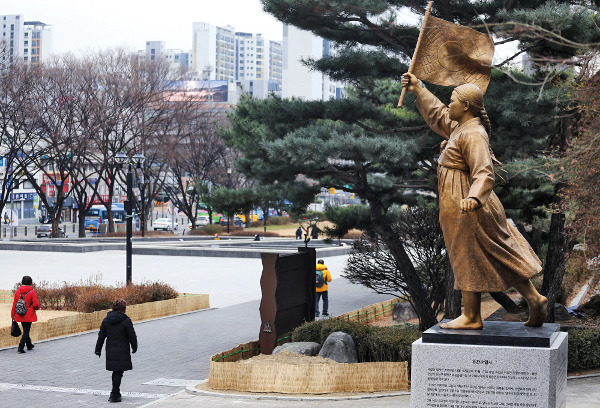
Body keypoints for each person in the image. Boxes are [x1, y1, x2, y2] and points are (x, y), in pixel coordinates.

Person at [401, 72, 548, 330]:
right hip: (461, 201)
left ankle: (471, 316)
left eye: (453, 101)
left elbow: (484, 172)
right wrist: (418, 89)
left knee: (467, 254)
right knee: (495, 253)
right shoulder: (461, 127)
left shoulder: (473, 134)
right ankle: (534, 299)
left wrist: (473, 198)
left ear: (466, 106)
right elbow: (439, 115)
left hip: (467, 203)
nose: (449, 105)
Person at [95, 299, 138, 403]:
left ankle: (116, 392)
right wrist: (134, 347)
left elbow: (101, 336)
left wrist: (98, 350)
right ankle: (114, 394)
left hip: (110, 350)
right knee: (118, 372)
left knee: (116, 371)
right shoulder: (126, 320)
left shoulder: (106, 320)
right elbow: (132, 336)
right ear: (124, 309)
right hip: (122, 350)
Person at [11, 275, 40, 353]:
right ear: (30, 283)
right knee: (26, 331)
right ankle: (21, 347)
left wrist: (13, 315)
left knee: (25, 330)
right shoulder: (32, 292)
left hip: (19, 314)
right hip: (28, 314)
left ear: (22, 282)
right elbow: (36, 304)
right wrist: (36, 308)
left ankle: (29, 345)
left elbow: (14, 304)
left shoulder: (18, 291)